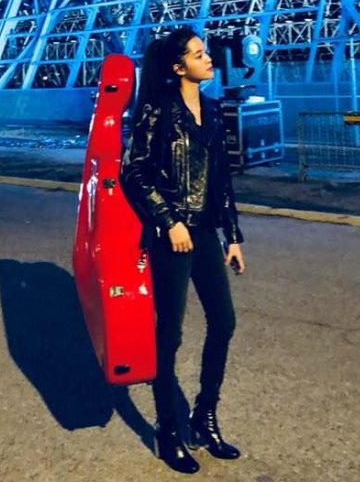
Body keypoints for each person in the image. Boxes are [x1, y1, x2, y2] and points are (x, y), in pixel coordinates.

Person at [120, 25, 245, 474]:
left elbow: (221, 179)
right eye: (198, 54)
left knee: (224, 322)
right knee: (169, 334)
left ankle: (204, 417)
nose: (208, 58)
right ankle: (168, 430)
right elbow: (133, 170)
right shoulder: (157, 109)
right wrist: (168, 220)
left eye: (205, 52)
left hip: (206, 231)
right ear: (178, 68)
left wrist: (233, 236)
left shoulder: (212, 110)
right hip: (172, 234)